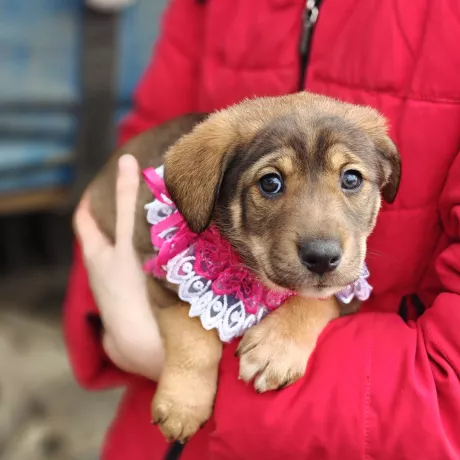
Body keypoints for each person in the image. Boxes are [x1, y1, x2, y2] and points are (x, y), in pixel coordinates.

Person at [65, 0, 460, 458]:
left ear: (386, 172)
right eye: (271, 183)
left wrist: (303, 319)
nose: (322, 240)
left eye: (351, 178)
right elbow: (131, 171)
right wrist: (112, 309)